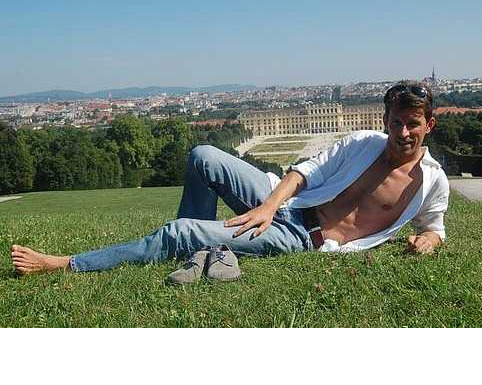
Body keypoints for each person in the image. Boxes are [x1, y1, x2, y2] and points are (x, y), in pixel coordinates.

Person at [11, 81, 449, 281]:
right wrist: (269, 206)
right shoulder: (363, 142)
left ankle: (69, 263)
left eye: (412, 124)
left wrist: (427, 240)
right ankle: (196, 254)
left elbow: (434, 227)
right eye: (396, 122)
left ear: (429, 125)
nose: (402, 133)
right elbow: (304, 172)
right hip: (287, 205)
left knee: (181, 230)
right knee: (202, 155)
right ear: (385, 120)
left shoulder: (431, 181)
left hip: (306, 238)